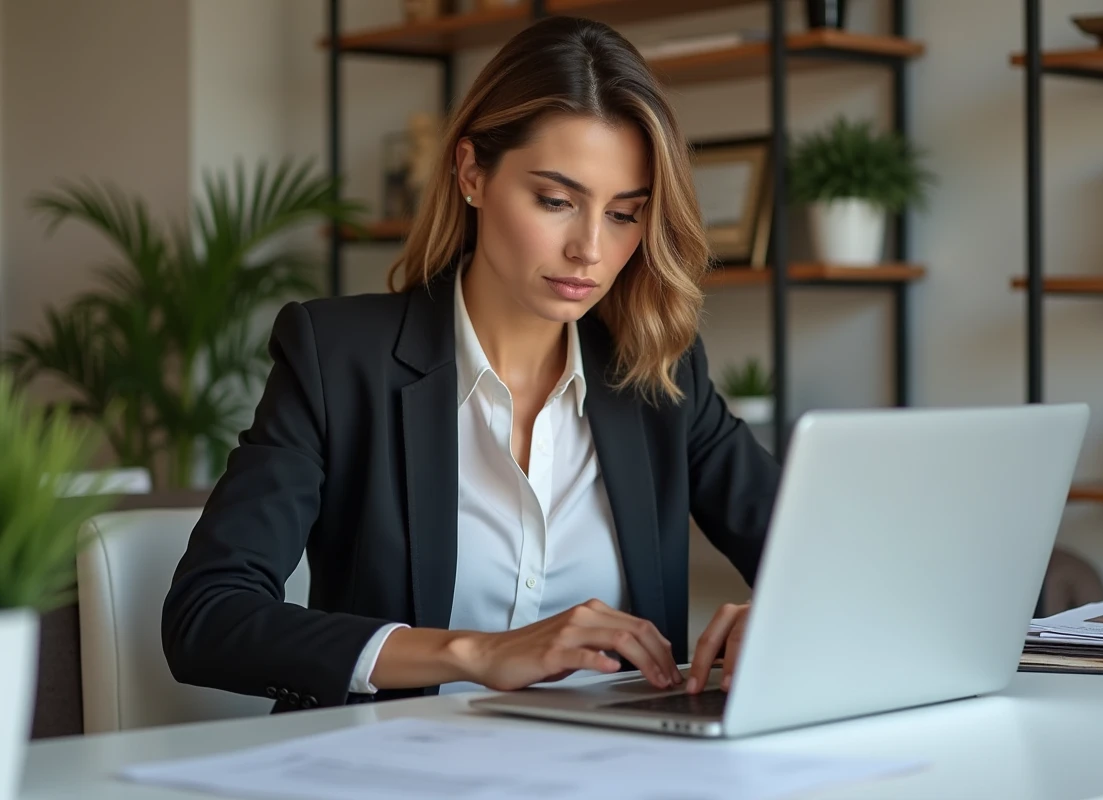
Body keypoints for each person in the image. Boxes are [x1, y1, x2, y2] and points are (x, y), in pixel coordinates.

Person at [161, 14, 781, 713]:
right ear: (472, 173)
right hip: (397, 774)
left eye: (623, 214)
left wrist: (787, 618)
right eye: (556, 201)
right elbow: (207, 617)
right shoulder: (337, 358)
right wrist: (477, 652)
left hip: (621, 772)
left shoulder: (658, 372)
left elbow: (818, 558)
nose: (589, 249)